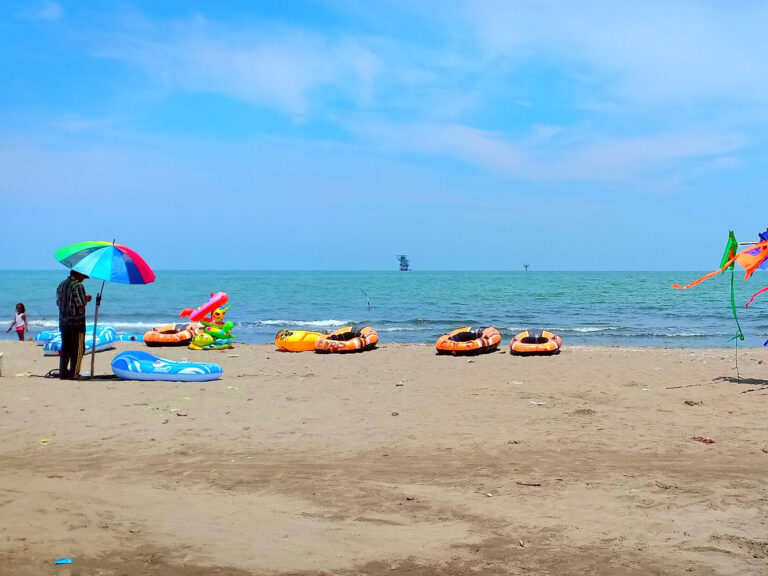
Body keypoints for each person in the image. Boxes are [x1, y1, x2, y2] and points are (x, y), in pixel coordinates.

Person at [56, 270, 91, 380]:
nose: (83, 279)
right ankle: (73, 374)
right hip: (77, 323)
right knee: (78, 349)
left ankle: (63, 373)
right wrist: (86, 300)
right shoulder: (78, 286)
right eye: (83, 277)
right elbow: (80, 305)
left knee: (66, 348)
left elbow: (58, 303)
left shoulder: (61, 284)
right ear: (78, 274)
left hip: (63, 322)